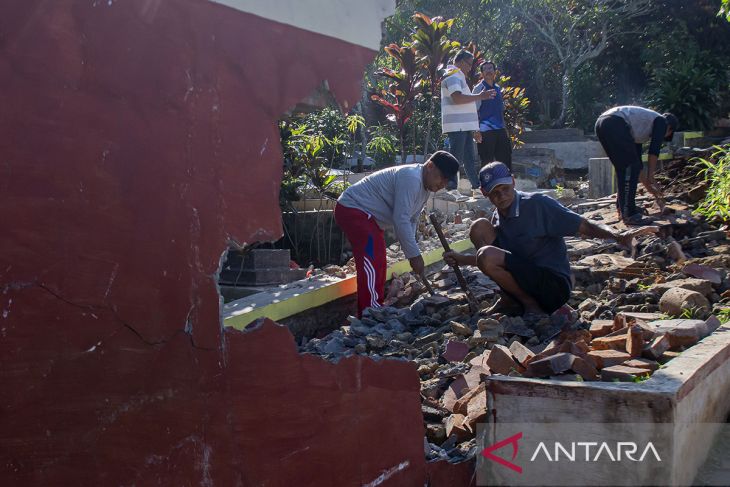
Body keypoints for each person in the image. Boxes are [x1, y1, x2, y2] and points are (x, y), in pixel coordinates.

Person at [444, 162, 657, 316]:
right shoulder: (498, 217)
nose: (502, 196)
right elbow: (492, 259)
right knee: (479, 228)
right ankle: (509, 298)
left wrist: (617, 236)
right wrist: (460, 259)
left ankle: (531, 306)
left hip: (552, 287)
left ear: (513, 182)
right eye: (495, 193)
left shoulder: (538, 205)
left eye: (505, 189)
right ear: (484, 193)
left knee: (487, 252)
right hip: (526, 276)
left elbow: (583, 224)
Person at [335, 151, 460, 316]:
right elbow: (400, 219)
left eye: (446, 181)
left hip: (368, 217)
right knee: (372, 258)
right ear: (430, 166)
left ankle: (374, 306)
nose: (442, 184)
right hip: (353, 209)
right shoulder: (411, 179)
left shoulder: (425, 188)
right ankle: (370, 311)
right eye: (441, 178)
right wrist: (414, 256)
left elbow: (412, 220)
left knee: (378, 259)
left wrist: (412, 250)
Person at [595, 106, 679, 225]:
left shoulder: (638, 130)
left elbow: (638, 166)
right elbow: (654, 150)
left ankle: (623, 209)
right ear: (670, 129)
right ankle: (629, 214)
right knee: (630, 167)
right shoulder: (662, 121)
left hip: (602, 123)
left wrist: (650, 189)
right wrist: (651, 177)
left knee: (624, 169)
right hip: (614, 123)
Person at [441, 50, 495, 199]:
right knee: (455, 158)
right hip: (456, 125)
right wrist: (480, 96)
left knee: (469, 158)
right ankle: (451, 189)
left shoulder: (459, 77)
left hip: (464, 125)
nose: (470, 68)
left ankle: (476, 187)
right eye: (468, 63)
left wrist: (474, 128)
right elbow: (457, 99)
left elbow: (466, 105)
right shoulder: (452, 75)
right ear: (459, 61)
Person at [473, 61, 512, 170]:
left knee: (505, 159)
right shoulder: (478, 89)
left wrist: (505, 129)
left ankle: (506, 185)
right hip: (485, 131)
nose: (488, 71)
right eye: (485, 69)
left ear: (495, 71)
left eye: (491, 68)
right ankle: (486, 186)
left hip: (500, 130)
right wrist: (476, 130)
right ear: (482, 73)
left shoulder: (498, 88)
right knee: (486, 162)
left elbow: (499, 111)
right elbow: (474, 110)